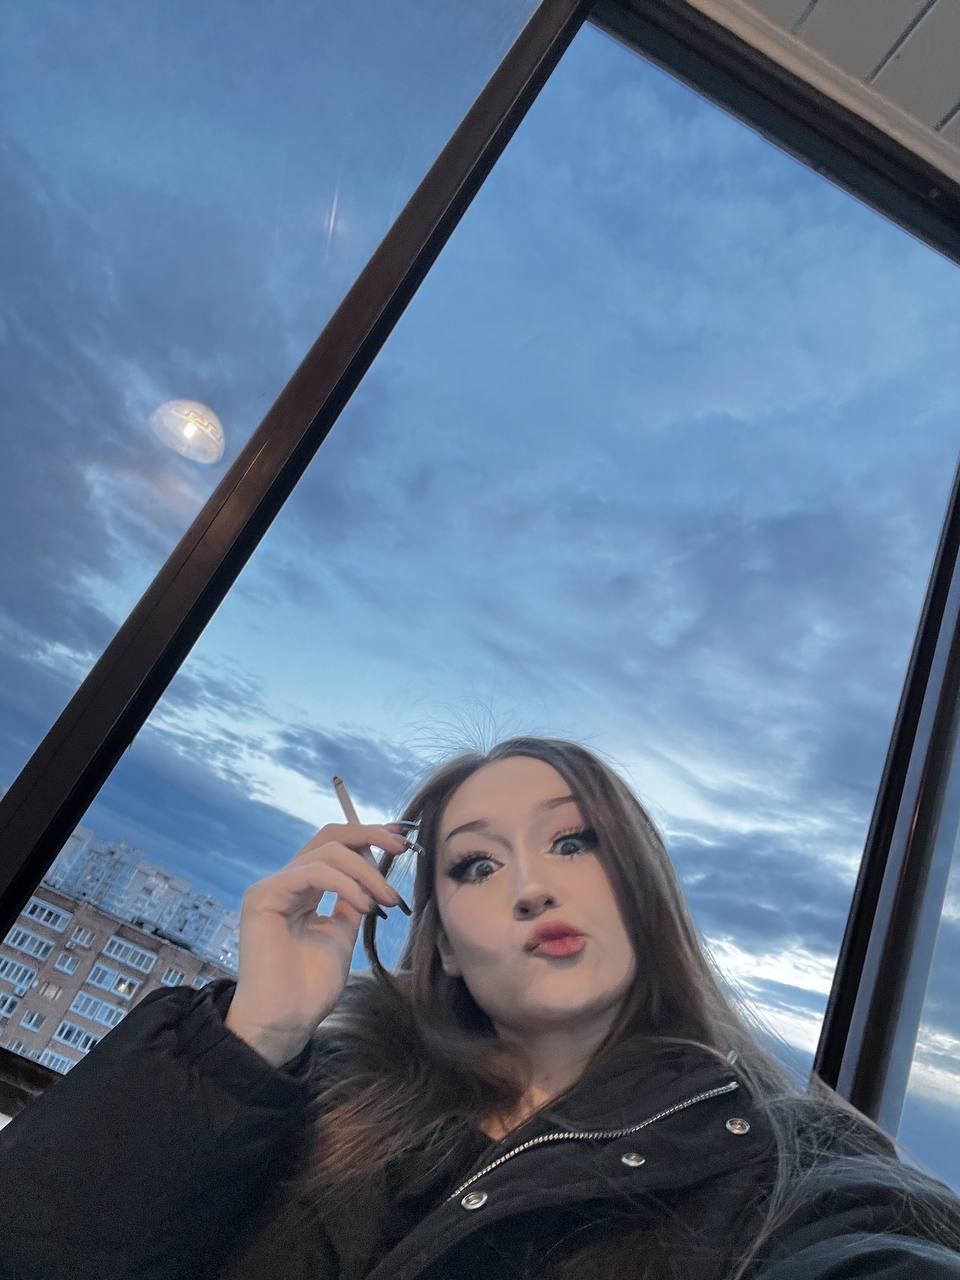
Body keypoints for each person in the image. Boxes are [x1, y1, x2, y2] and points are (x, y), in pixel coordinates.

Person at [2, 736, 960, 1280]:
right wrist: (254, 1037)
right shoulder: (307, 1104)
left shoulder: (785, 1168)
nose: (533, 887)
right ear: (447, 946)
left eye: (574, 843)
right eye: (476, 866)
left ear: (644, 888)